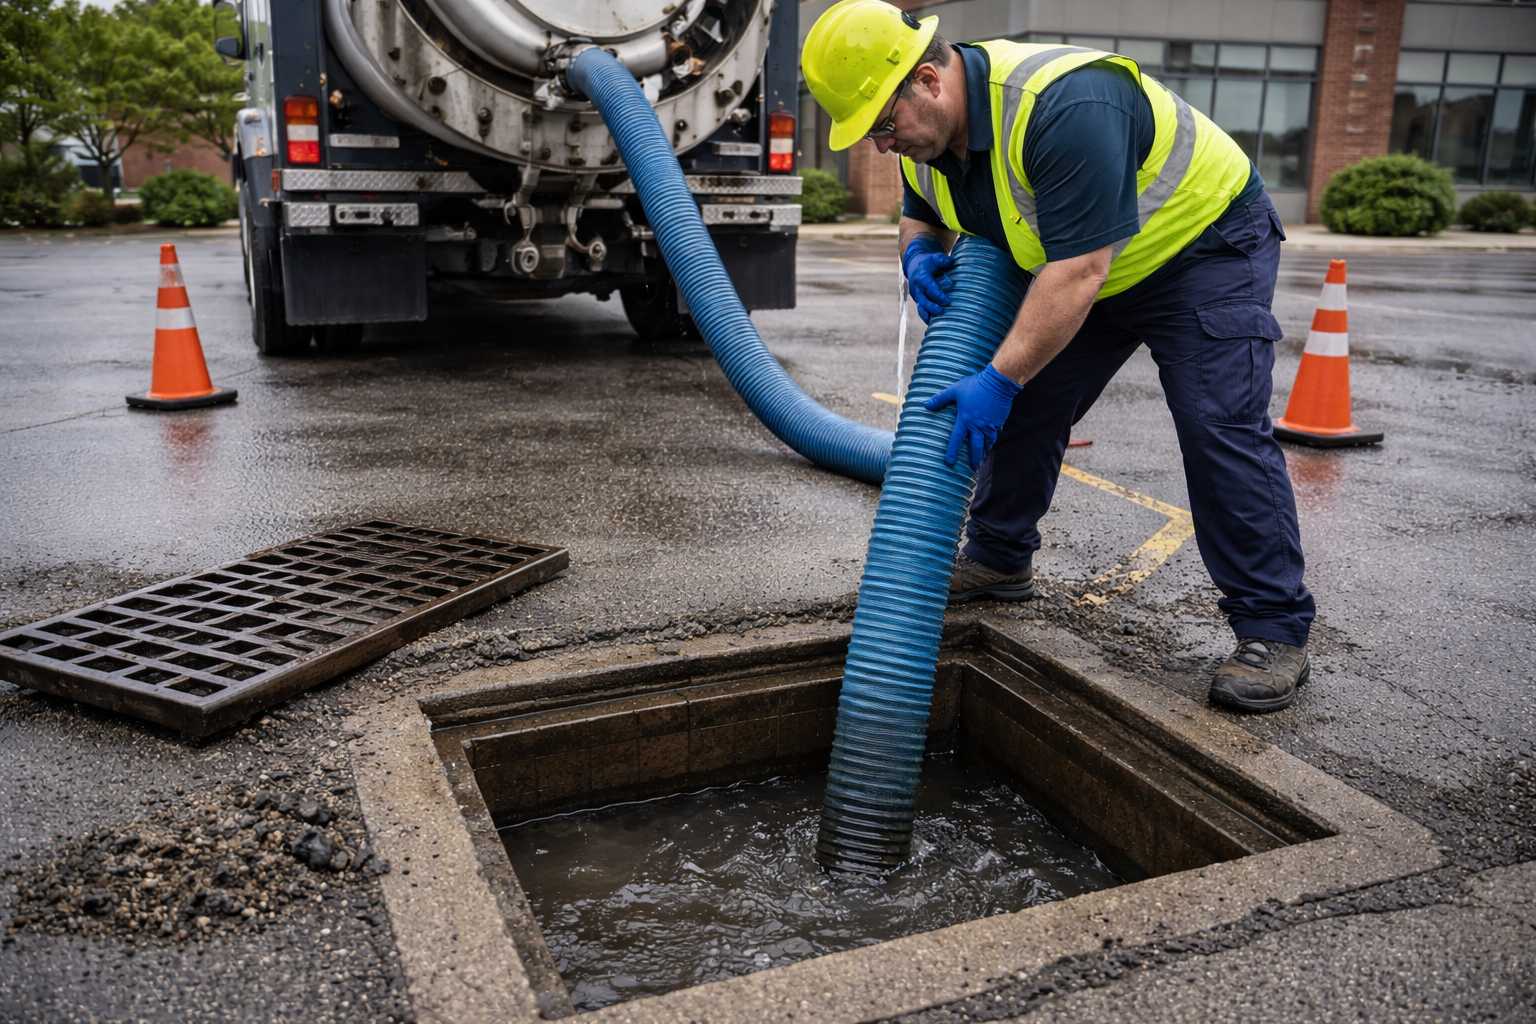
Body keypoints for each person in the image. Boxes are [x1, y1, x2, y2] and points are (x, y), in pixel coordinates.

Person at [801, 0, 1315, 713]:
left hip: (1202, 247)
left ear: (927, 79)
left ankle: (1273, 628)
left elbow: (1077, 273)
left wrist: (1000, 376)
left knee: (1215, 423)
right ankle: (999, 558)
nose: (883, 147)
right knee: (1029, 402)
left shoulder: (1063, 105)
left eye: (884, 126)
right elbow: (920, 205)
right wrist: (918, 248)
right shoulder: (930, 135)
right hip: (1089, 261)